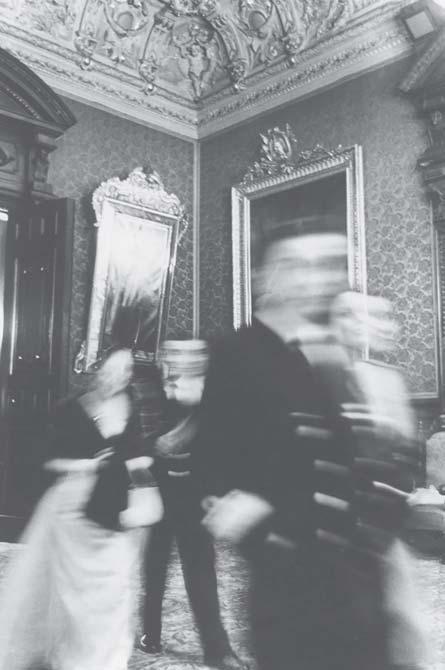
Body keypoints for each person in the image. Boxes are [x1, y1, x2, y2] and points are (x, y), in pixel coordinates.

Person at [192, 226, 422, 670]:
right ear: (265, 276)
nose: (313, 279)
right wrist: (269, 537)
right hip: (289, 580)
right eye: (296, 266)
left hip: (358, 568)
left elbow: (359, 455)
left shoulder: (326, 349)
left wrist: (376, 533)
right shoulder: (239, 352)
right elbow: (212, 465)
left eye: (326, 266)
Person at [0, 347, 153, 670]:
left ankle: (107, 659)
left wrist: (143, 478)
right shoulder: (70, 409)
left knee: (115, 586)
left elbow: (136, 451)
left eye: (127, 371)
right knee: (75, 594)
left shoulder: (131, 404)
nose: (120, 377)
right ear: (98, 369)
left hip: (114, 508)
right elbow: (47, 461)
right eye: (114, 369)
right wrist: (88, 466)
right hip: (74, 510)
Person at [139, 339, 246, 670]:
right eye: (177, 355)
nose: (184, 361)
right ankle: (150, 633)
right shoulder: (153, 389)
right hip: (158, 493)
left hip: (194, 494)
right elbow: (141, 436)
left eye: (192, 356)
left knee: (200, 570)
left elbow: (222, 443)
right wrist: (157, 443)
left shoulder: (212, 396)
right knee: (154, 568)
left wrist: (218, 489)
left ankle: (217, 650)